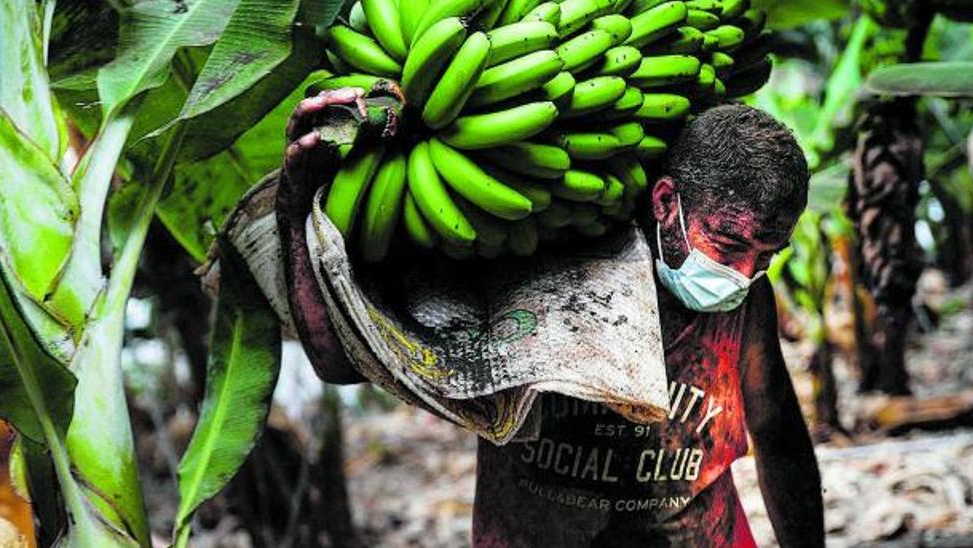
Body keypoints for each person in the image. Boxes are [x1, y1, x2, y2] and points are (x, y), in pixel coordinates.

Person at [279, 88, 824, 547]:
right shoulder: (536, 266)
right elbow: (338, 363)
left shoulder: (746, 299)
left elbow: (777, 432)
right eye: (728, 245)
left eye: (767, 254)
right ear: (664, 202)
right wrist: (296, 201)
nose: (744, 272)